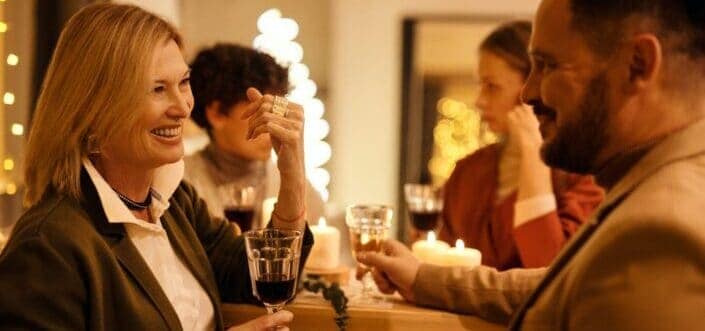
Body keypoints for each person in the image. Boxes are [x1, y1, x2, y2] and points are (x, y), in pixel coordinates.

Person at [359, 0, 705, 329]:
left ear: (637, 65)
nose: (528, 93)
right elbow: (559, 281)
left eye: (548, 65)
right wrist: (421, 277)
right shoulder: (647, 189)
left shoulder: (661, 232)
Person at [0, 4, 312, 331]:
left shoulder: (173, 201)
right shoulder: (48, 244)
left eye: (184, 82)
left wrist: (292, 174)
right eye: (158, 89)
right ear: (95, 106)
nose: (182, 107)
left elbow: (254, 278)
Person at [438, 21, 603, 269]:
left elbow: (549, 269)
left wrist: (531, 147)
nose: (479, 101)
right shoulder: (467, 171)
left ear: (533, 85)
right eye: (479, 86)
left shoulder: (583, 172)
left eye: (492, 87)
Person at [184, 43, 325, 231]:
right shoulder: (181, 182)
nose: (274, 126)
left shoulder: (291, 183)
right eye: (262, 112)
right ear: (217, 113)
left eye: (277, 112)